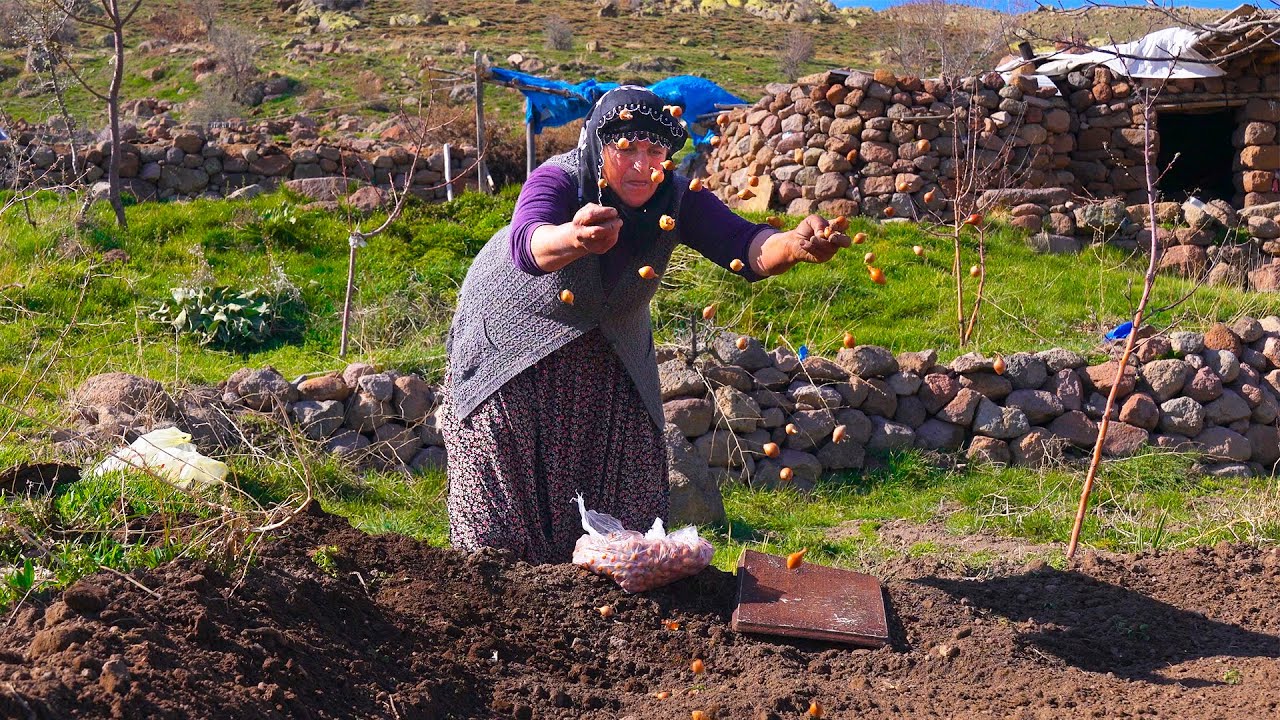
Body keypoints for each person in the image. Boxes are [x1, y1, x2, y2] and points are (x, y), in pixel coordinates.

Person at [440, 86, 850, 563]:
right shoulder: (560, 179)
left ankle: (606, 603)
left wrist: (793, 246)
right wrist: (575, 236)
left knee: (628, 497)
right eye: (626, 149)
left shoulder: (678, 196)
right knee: (505, 517)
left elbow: (745, 245)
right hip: (515, 341)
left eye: (654, 150)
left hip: (611, 344)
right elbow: (528, 244)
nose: (642, 165)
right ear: (597, 144)